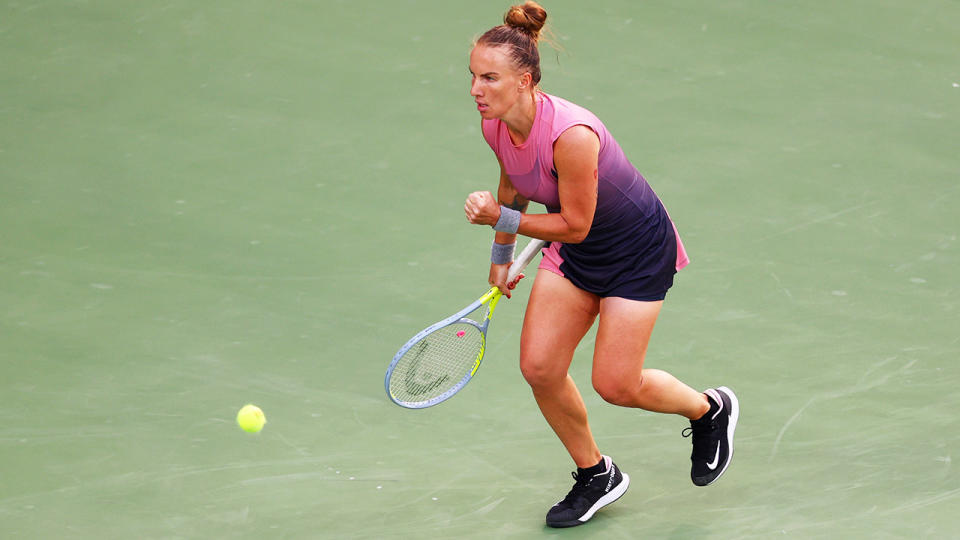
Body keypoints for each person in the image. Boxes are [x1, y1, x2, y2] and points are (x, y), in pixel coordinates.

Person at [462, 2, 739, 528]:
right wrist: (499, 260)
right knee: (540, 368)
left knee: (617, 384)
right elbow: (512, 194)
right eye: (473, 76)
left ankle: (710, 409)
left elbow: (575, 225)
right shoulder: (496, 126)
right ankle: (597, 474)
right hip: (578, 253)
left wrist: (502, 219)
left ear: (524, 80)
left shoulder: (572, 137)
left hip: (636, 252)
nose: (477, 89)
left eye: (489, 78)